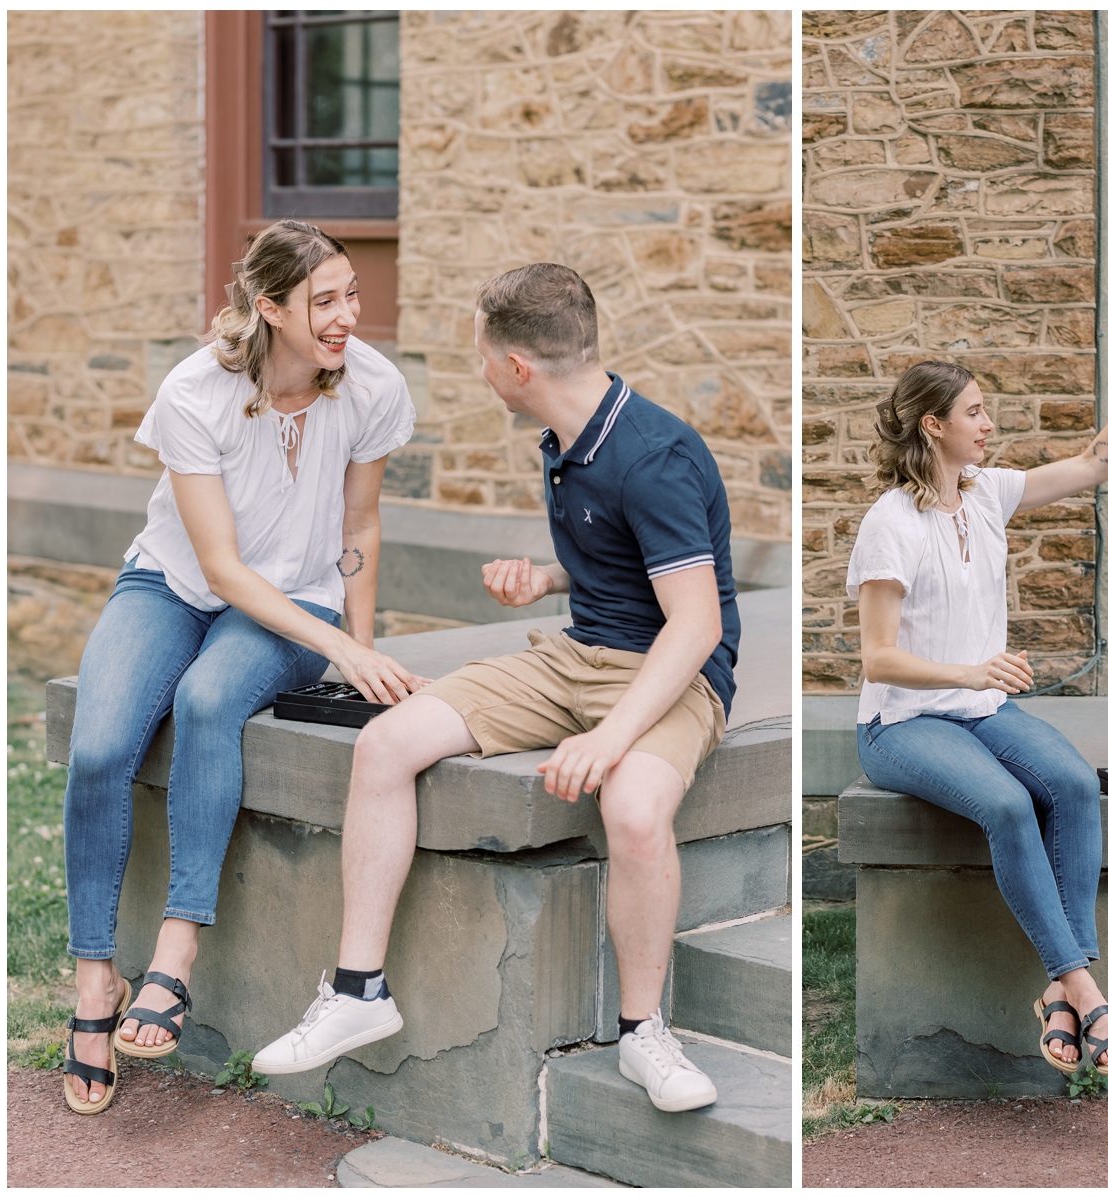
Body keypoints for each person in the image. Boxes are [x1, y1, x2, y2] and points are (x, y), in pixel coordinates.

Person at [253, 263, 740, 1114]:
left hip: (675, 674)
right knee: (387, 740)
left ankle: (644, 1033)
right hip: (575, 654)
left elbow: (693, 626)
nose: (479, 370)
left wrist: (608, 737)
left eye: (481, 355)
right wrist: (549, 580)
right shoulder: (571, 436)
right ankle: (357, 993)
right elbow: (632, 562)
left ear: (519, 367)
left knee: (631, 808)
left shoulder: (651, 454)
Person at [60, 221, 421, 1114]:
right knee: (101, 747)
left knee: (210, 697)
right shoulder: (196, 392)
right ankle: (94, 981)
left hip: (299, 606)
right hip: (174, 583)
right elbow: (219, 568)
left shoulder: (370, 386)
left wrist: (353, 645)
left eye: (351, 295)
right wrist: (345, 647)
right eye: (325, 300)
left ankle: (175, 954)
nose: (348, 316)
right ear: (269, 308)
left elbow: (360, 526)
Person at [848, 305, 1108, 1078]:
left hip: (981, 710)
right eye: (975, 412)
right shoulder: (889, 525)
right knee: (1007, 805)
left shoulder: (987, 493)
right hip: (903, 725)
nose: (989, 424)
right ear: (933, 426)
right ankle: (1085, 992)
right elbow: (878, 659)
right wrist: (971, 671)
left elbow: (1095, 464)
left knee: (1073, 785)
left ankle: (1059, 992)